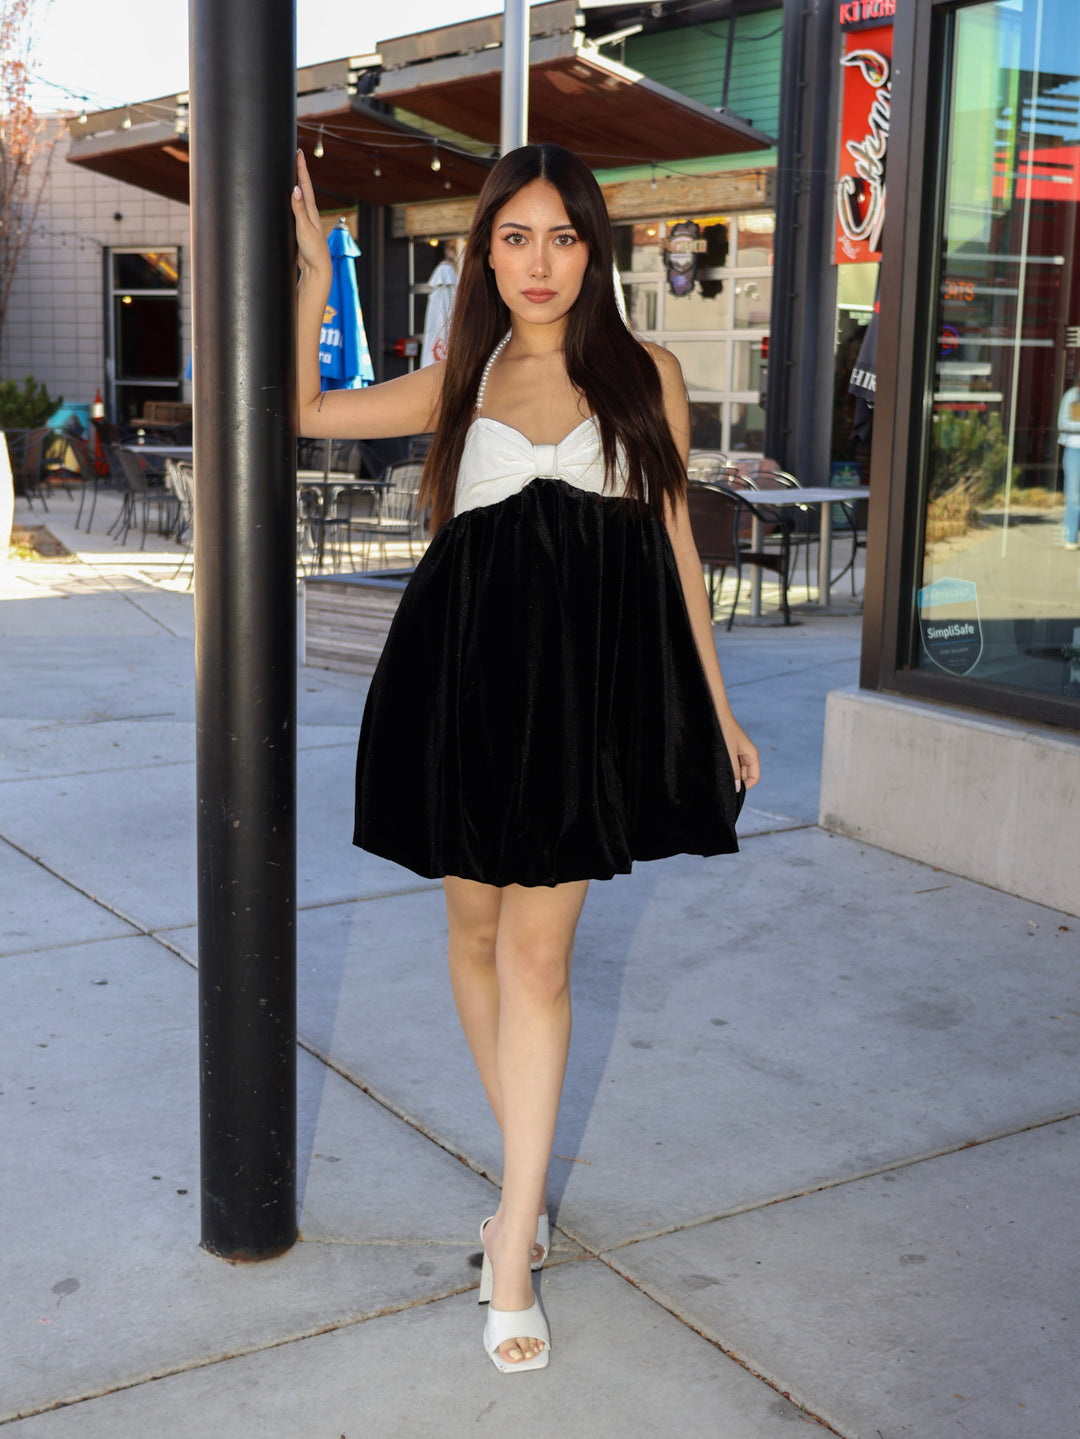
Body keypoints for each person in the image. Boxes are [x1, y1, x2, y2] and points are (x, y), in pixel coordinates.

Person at [292, 143, 760, 1374]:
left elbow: (674, 552)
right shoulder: (464, 376)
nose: (538, 261)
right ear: (482, 251)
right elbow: (310, 411)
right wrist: (305, 278)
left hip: (584, 702)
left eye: (560, 236)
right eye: (514, 237)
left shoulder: (646, 372)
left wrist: (715, 710)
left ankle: (511, 1244)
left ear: (591, 248)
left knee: (540, 956)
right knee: (472, 936)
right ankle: (526, 1177)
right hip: (463, 684)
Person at [1058, 373, 1080, 550]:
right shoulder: (1072, 396)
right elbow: (1063, 423)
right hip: (1075, 450)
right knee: (1073, 496)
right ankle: (1071, 537)